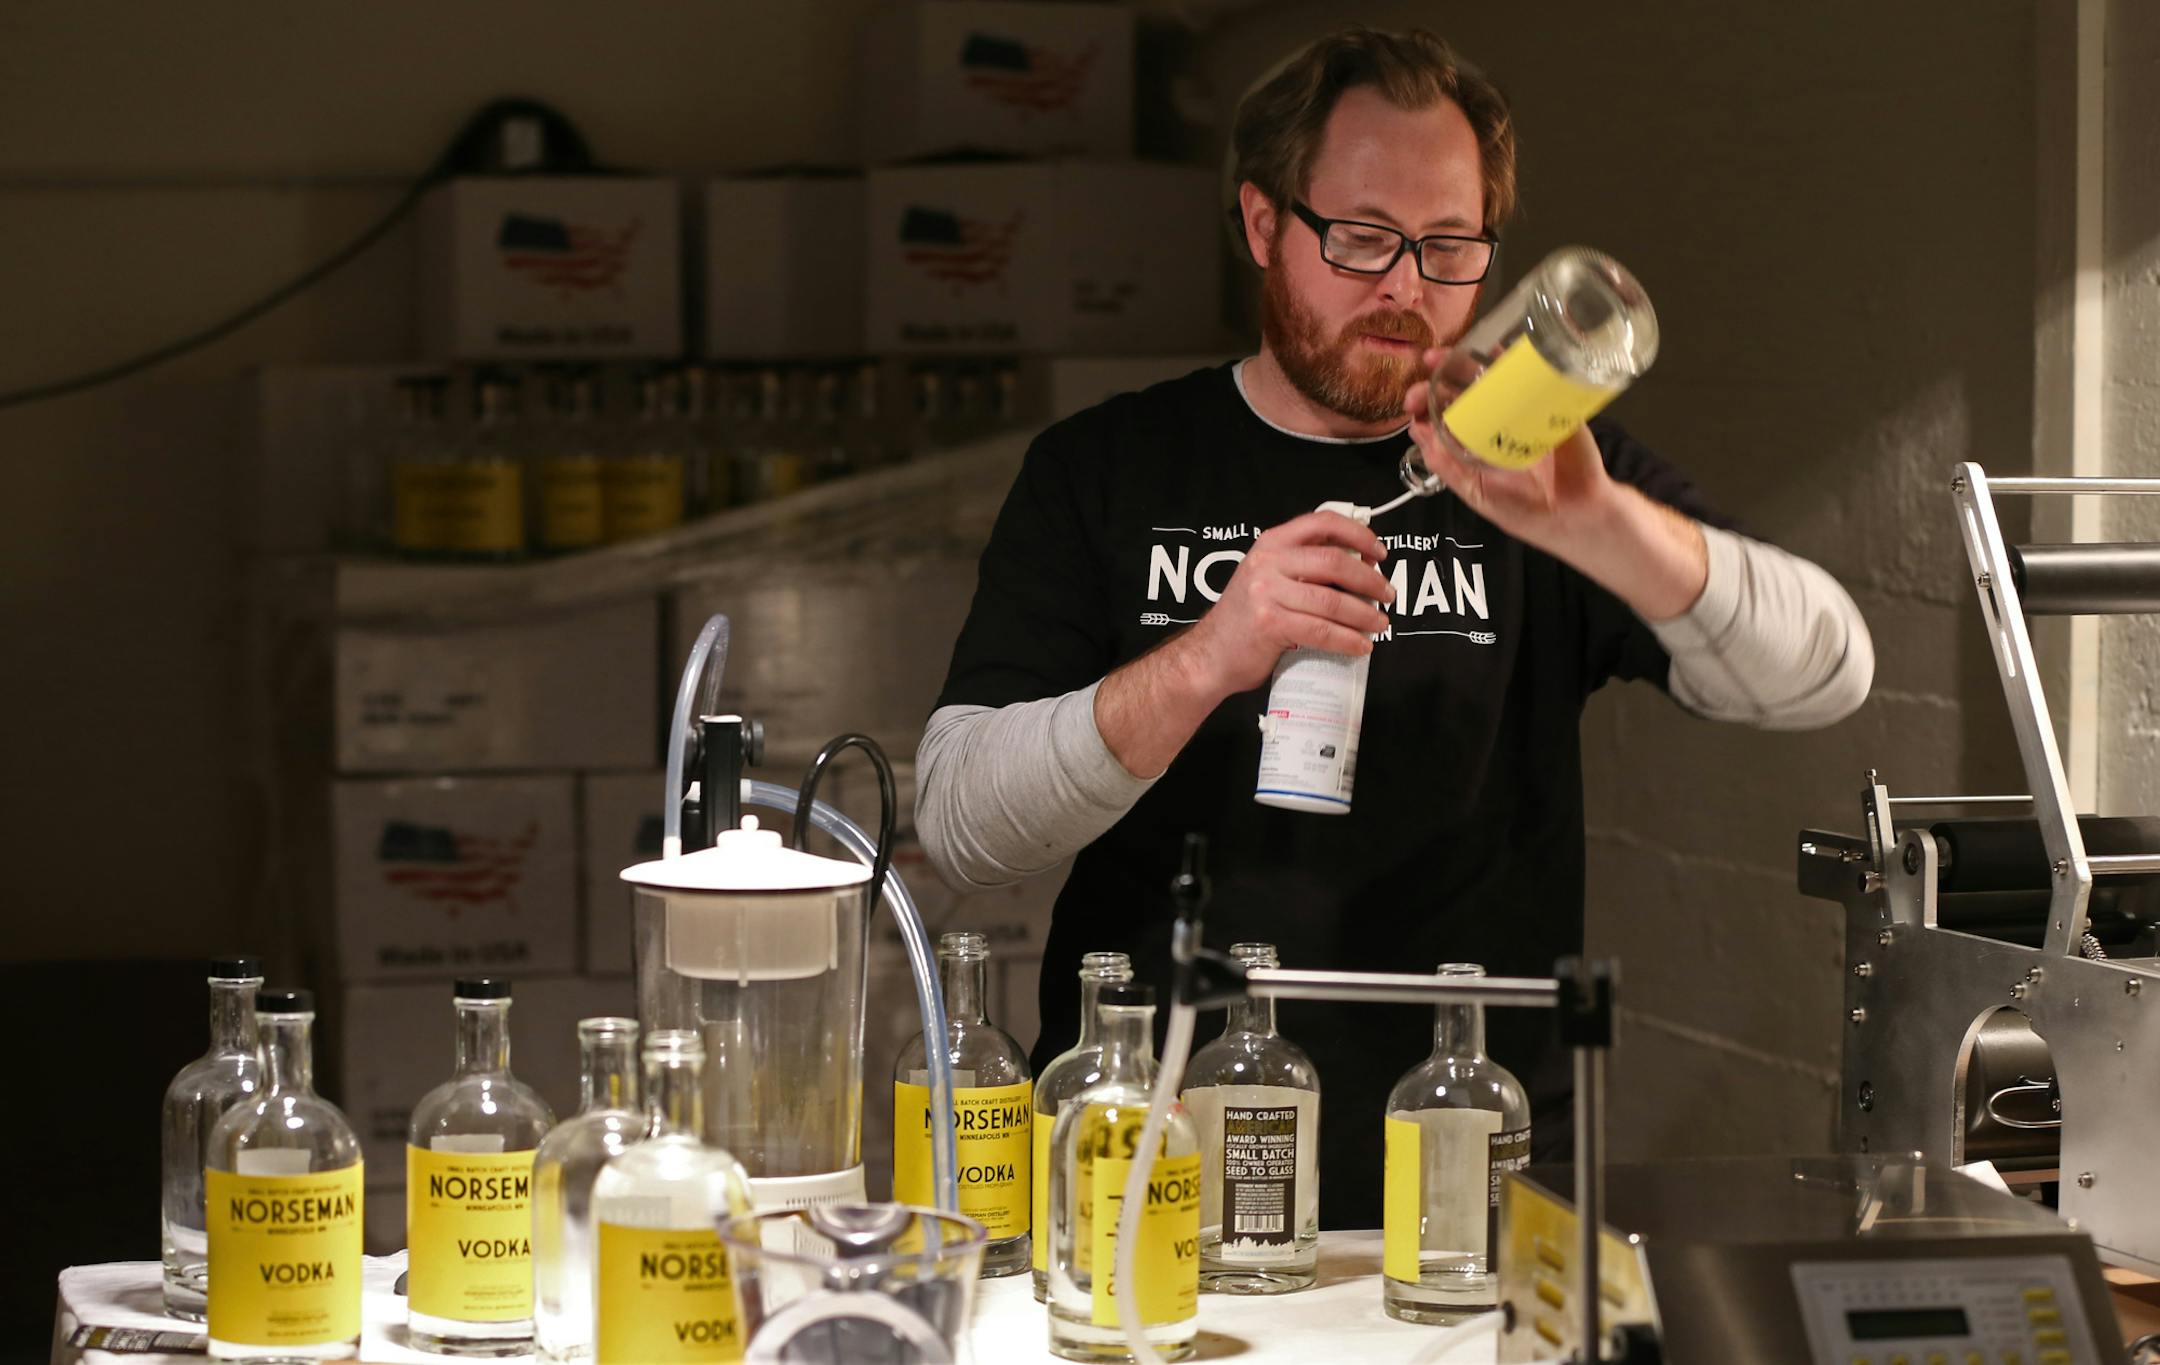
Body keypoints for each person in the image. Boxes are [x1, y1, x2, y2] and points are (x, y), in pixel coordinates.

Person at [914, 26, 1872, 1231]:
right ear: (1264, 226)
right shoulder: (1106, 470)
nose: (1407, 288)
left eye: (1450, 246)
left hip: (1471, 1172)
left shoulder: (1544, 477)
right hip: (1155, 1161)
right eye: (1362, 238)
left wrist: (1601, 524)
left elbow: (1828, 671)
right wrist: (1213, 655)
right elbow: (958, 823)